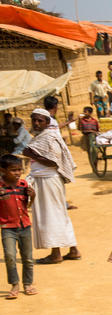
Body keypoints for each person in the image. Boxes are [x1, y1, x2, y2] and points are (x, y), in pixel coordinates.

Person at [23, 108, 79, 264]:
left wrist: (31, 154)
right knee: (59, 214)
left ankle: (56, 254)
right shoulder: (42, 137)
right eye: (34, 119)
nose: (36, 123)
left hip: (48, 180)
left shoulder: (49, 137)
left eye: (40, 120)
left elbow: (54, 161)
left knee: (50, 215)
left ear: (47, 122)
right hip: (44, 180)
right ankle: (73, 250)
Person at [1, 154, 35, 298]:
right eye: (13, 170)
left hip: (25, 226)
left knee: (27, 257)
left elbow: (27, 206)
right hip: (7, 227)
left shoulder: (23, 185)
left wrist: (33, 197)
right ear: (3, 170)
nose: (17, 173)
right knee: (10, 256)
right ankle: (14, 284)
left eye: (19, 170)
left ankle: (28, 284)